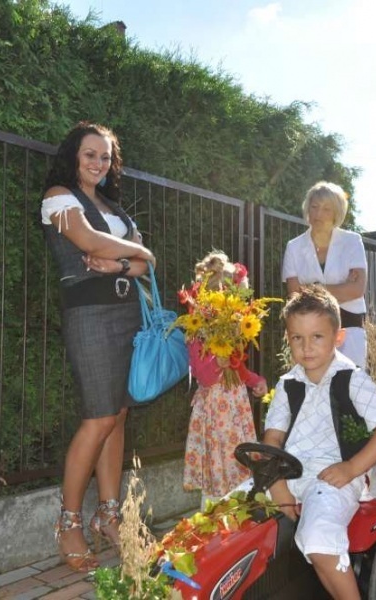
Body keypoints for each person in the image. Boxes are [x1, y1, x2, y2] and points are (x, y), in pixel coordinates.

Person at [41, 121, 156, 572]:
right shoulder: (57, 197)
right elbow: (88, 242)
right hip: (88, 314)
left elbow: (141, 270)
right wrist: (136, 253)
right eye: (90, 154)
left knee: (119, 413)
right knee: (99, 416)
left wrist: (119, 265)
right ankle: (68, 522)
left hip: (127, 313)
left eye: (105, 156)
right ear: (75, 156)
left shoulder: (113, 207)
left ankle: (109, 515)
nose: (98, 163)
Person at [263, 285, 376, 600]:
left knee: (317, 536)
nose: (306, 347)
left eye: (317, 337)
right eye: (297, 338)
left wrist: (352, 467)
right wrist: (276, 484)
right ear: (288, 339)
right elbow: (272, 437)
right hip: (287, 473)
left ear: (337, 337)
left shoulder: (351, 379)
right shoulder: (287, 385)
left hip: (334, 476)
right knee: (230, 512)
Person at [182, 251, 268, 508]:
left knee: (237, 458)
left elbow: (237, 368)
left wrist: (255, 381)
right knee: (219, 461)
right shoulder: (197, 330)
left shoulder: (231, 330)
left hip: (235, 409)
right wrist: (216, 362)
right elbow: (202, 375)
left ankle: (239, 504)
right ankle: (214, 510)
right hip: (216, 411)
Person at [282, 182, 369, 368]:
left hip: (349, 330)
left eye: (326, 209)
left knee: (348, 390)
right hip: (309, 334)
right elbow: (294, 295)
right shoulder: (294, 247)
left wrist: (310, 289)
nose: (318, 214)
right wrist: (340, 288)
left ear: (336, 213)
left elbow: (356, 290)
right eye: (314, 207)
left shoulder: (352, 242)